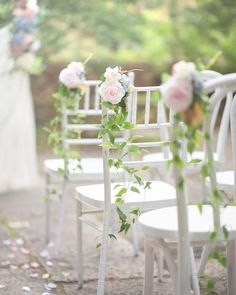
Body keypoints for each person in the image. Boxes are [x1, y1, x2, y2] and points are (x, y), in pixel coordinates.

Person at [0, 0, 39, 194]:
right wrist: (12, 57)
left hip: (21, 87)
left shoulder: (30, 37)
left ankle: (17, 174)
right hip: (4, 86)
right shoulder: (4, 32)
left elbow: (33, 66)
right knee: (4, 125)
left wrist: (22, 54)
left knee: (20, 125)